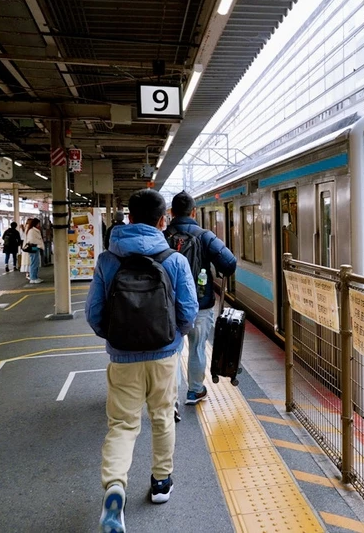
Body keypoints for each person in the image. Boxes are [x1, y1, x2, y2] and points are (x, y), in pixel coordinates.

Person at [86, 189, 197, 533]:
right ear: (163, 221)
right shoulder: (174, 260)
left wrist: (117, 338)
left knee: (122, 425)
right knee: (162, 417)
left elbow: (93, 313)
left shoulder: (108, 260)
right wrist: (173, 337)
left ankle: (115, 487)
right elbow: (189, 311)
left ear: (130, 218)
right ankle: (161, 483)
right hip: (164, 355)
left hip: (122, 359)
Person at [165, 191, 237, 406]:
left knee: (173, 351)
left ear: (171, 212)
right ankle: (195, 391)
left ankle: (171, 400)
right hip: (200, 303)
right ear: (194, 212)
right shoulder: (205, 236)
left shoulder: (163, 236)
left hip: (169, 305)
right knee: (197, 347)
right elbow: (230, 263)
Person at [24, 218, 44, 284]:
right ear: (36, 223)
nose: (39, 224)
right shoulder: (32, 231)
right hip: (34, 248)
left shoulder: (33, 230)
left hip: (35, 248)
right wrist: (38, 244)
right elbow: (32, 240)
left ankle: (35, 277)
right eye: (38, 223)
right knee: (34, 263)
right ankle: (33, 278)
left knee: (36, 262)